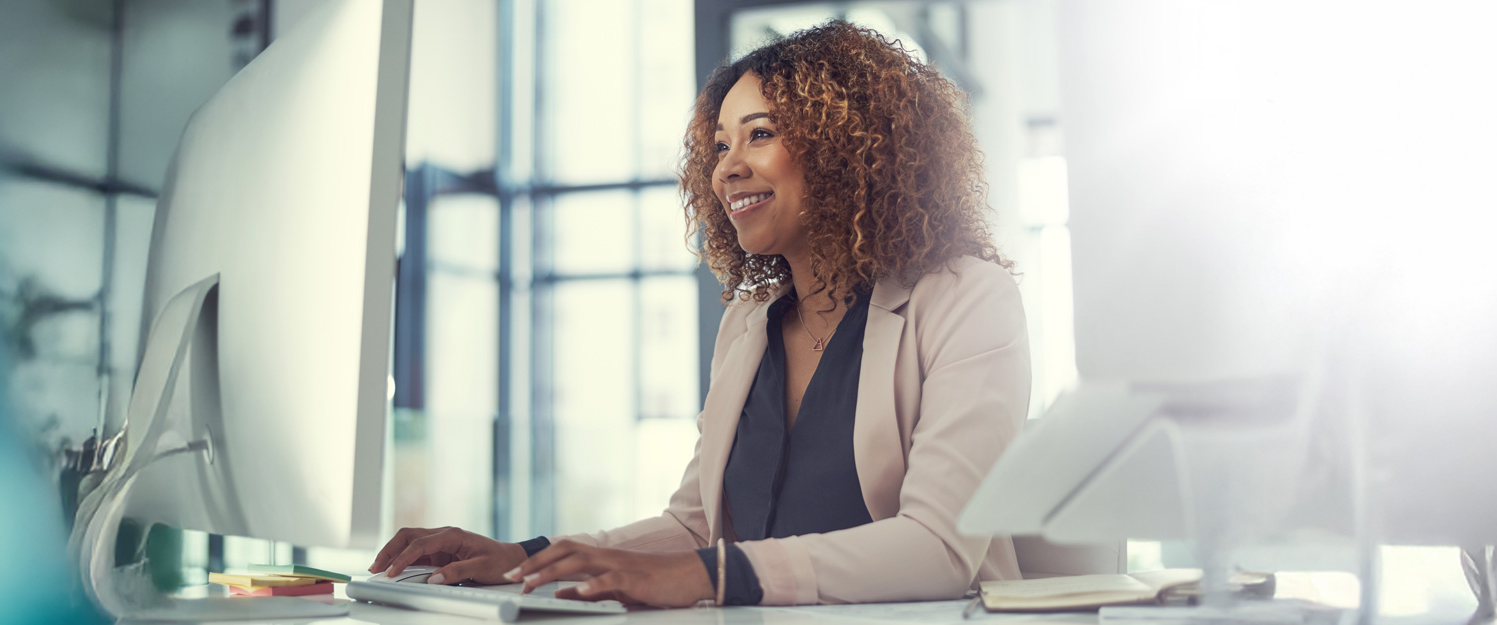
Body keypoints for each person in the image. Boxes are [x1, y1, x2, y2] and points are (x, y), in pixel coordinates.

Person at [367, 20, 1030, 607]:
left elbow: (939, 548)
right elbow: (695, 526)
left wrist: (714, 574)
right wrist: (528, 557)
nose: (725, 170)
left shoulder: (966, 299)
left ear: (845, 150)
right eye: (718, 146)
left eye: (759, 135)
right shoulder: (750, 320)